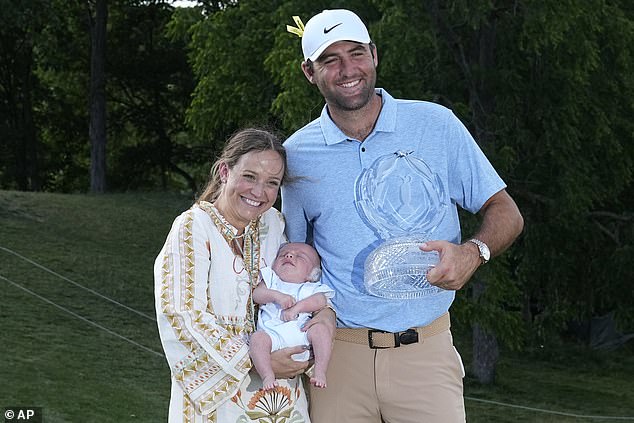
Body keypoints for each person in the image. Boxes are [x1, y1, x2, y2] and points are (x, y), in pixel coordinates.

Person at [282, 9, 525, 423]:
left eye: (356, 53)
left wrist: (472, 253)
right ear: (309, 71)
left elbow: (506, 212)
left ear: (374, 55)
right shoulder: (296, 156)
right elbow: (293, 258)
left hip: (425, 355)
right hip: (335, 360)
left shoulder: (436, 125)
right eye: (330, 60)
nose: (347, 70)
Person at [154, 128, 318, 422]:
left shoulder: (273, 224)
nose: (259, 192)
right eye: (250, 176)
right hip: (220, 398)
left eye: (272, 183)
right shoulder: (194, 227)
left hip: (280, 399)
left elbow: (300, 288)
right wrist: (258, 361)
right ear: (224, 171)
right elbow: (180, 315)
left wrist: (320, 323)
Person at [250, 242, 334, 390]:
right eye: (283, 255)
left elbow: (320, 300)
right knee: (257, 339)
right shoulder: (271, 281)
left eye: (300, 256)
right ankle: (267, 375)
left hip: (302, 334)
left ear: (312, 274)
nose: (289, 255)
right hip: (272, 336)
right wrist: (277, 296)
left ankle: (320, 371)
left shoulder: (309, 287)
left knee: (321, 330)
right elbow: (257, 295)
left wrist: (297, 308)